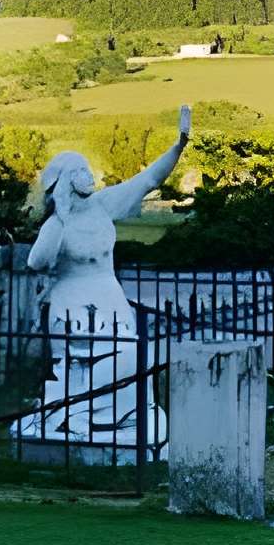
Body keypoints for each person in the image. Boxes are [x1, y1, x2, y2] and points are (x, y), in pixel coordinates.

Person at [13, 105, 189, 451]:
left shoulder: (103, 205)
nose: (88, 174)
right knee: (91, 364)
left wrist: (178, 146)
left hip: (110, 296)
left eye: (86, 167)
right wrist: (60, 220)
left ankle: (119, 417)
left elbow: (148, 180)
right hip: (73, 302)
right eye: (79, 170)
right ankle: (77, 414)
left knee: (133, 355)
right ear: (65, 181)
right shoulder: (56, 224)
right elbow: (36, 261)